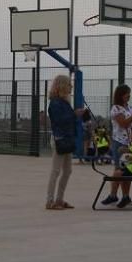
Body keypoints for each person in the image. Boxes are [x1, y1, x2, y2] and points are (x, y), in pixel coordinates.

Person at [45, 75, 86, 210]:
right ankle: (50, 201)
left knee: (67, 171)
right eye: (69, 84)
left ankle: (59, 199)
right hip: (59, 139)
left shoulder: (65, 102)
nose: (71, 87)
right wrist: (75, 114)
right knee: (56, 170)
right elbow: (59, 120)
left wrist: (76, 115)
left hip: (67, 138)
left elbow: (68, 120)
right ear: (62, 86)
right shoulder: (55, 103)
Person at [102, 85, 132, 208]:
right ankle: (121, 195)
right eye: (127, 93)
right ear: (121, 95)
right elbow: (124, 124)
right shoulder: (116, 108)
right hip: (119, 142)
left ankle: (117, 195)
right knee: (120, 168)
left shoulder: (130, 108)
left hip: (130, 142)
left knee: (126, 168)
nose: (129, 96)